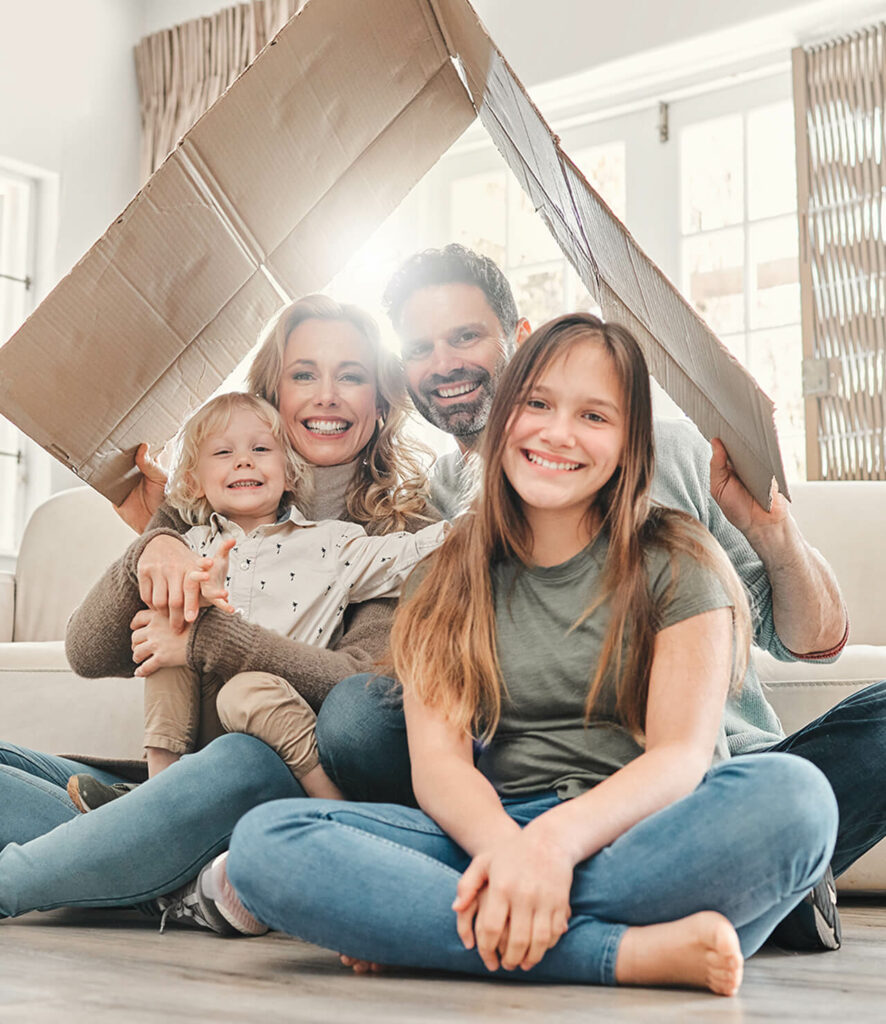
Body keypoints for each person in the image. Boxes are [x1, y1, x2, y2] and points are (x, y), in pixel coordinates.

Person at [223, 314, 838, 993]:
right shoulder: (445, 573)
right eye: (538, 404)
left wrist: (552, 848)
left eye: (594, 416)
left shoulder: (680, 561)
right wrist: (511, 851)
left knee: (801, 800)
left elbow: (680, 757)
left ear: (631, 442)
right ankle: (626, 954)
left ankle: (432, 934)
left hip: (640, 834)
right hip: (489, 834)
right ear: (504, 416)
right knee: (264, 844)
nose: (557, 433)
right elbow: (439, 766)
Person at [314, 244, 882, 954]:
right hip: (528, 796)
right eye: (421, 347)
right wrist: (175, 524)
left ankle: (460, 912)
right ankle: (716, 902)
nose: (445, 362)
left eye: (465, 336)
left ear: (519, 344)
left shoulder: (670, 456)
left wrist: (775, 535)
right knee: (351, 724)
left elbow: (812, 641)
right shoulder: (442, 508)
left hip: (713, 776)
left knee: (800, 794)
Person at [0, 296, 436, 930]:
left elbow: (363, 686)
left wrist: (211, 640)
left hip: (275, 770)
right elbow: (89, 653)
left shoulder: (394, 536)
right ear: (273, 393)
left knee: (241, 754)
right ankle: (173, 878)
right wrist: (157, 542)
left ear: (380, 401)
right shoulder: (209, 505)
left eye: (352, 375)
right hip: (177, 782)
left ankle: (29, 879)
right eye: (304, 374)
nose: (328, 395)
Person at [71, 391, 446, 809]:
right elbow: (99, 642)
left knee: (244, 691)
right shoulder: (187, 546)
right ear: (193, 482)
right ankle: (158, 793)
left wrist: (474, 525)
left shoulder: (331, 545)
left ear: (290, 473)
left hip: (282, 712)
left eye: (261, 449)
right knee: (168, 646)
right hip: (204, 722)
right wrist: (180, 579)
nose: (244, 460)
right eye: (223, 452)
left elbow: (409, 555)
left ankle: (333, 806)